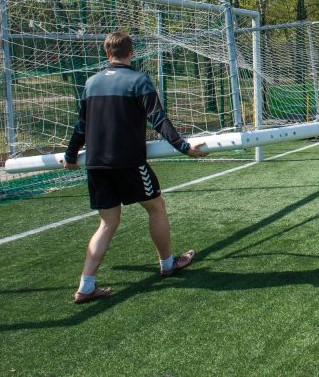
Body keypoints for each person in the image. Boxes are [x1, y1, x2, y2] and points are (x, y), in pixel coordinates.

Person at [61, 32, 208, 304]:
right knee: (156, 207)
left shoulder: (91, 83)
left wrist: (71, 155)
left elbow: (81, 126)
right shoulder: (139, 81)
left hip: (95, 165)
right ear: (131, 53)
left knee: (107, 222)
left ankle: (86, 286)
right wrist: (184, 147)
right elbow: (158, 119)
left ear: (108, 54)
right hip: (128, 163)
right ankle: (167, 264)